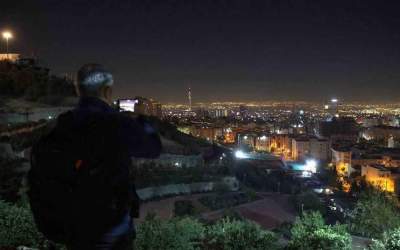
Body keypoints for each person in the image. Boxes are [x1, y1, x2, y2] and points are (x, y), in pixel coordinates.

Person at [28, 64, 161, 250]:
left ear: (77, 89)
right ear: (107, 91)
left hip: (73, 228)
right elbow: (153, 148)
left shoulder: (62, 124)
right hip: (111, 230)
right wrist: (142, 118)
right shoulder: (115, 123)